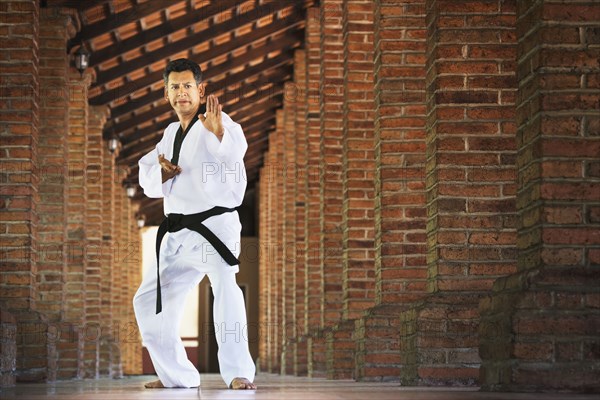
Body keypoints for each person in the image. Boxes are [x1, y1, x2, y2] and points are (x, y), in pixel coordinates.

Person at [133, 58, 256, 390]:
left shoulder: (218, 122)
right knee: (147, 300)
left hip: (213, 227)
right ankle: (177, 375)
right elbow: (148, 176)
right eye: (174, 87)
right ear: (166, 92)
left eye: (187, 86)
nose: (181, 92)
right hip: (177, 231)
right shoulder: (170, 132)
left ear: (201, 90)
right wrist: (162, 171)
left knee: (226, 290)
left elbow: (235, 152)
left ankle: (238, 371)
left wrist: (218, 135)